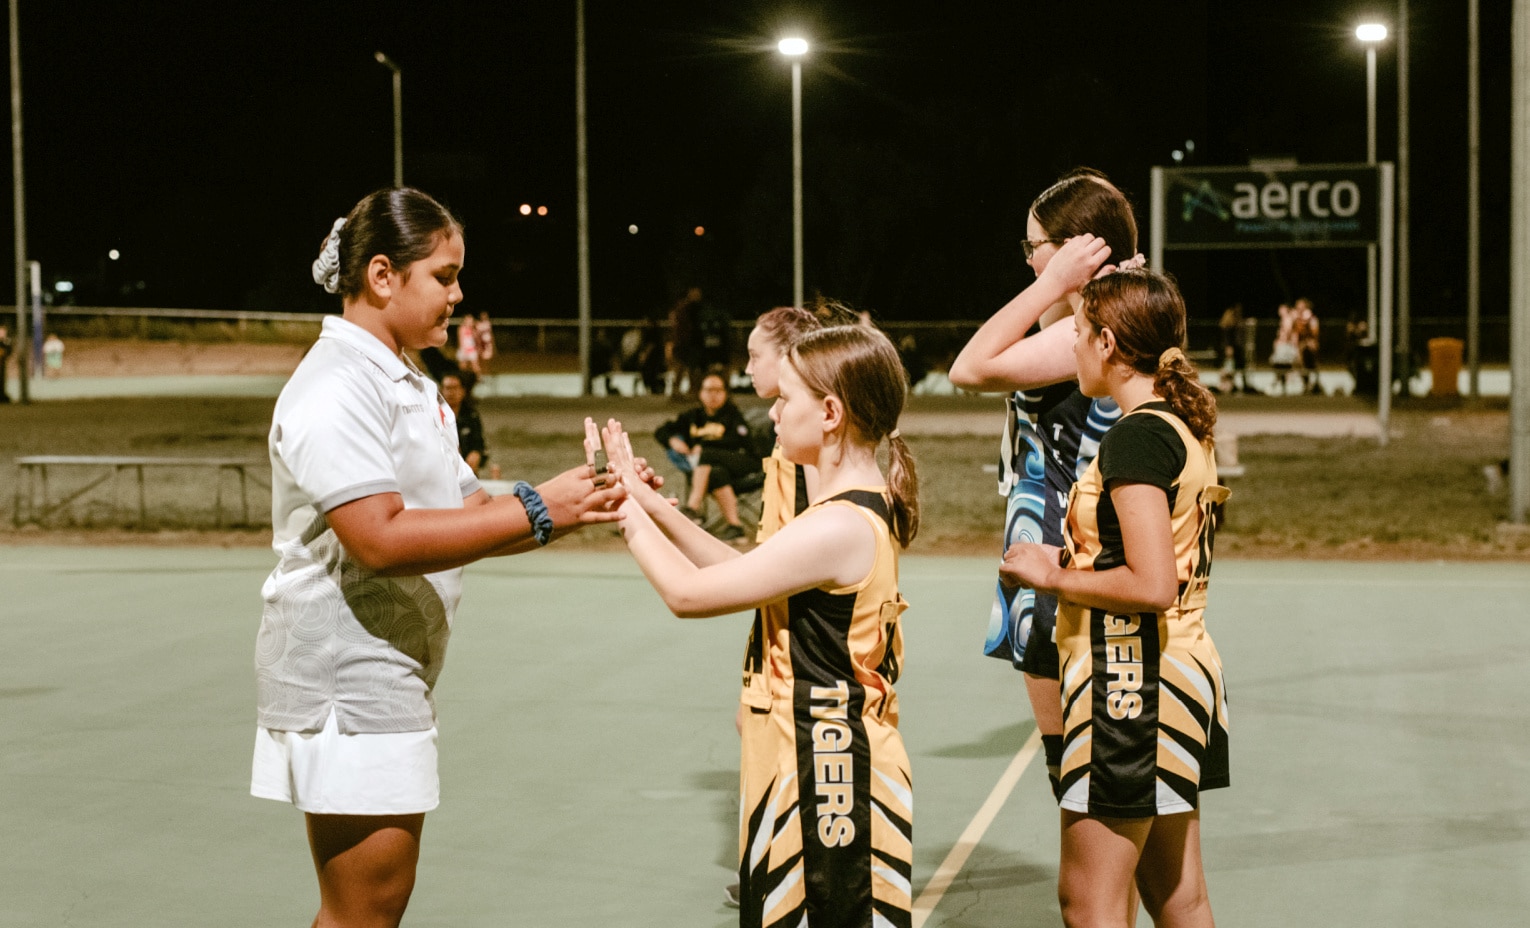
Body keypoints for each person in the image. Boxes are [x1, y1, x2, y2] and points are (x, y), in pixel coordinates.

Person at [252, 187, 639, 928]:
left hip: (386, 666)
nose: (460, 296)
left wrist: (578, 496)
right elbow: (379, 538)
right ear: (381, 276)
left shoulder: (408, 382)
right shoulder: (335, 386)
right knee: (364, 909)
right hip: (346, 675)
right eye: (445, 275)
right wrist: (539, 507)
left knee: (374, 906)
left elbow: (465, 509)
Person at [601, 323, 919, 928]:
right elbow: (747, 571)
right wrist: (652, 509)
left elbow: (688, 595)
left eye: (785, 399)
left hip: (831, 773)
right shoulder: (840, 512)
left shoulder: (839, 525)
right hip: (807, 761)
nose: (772, 411)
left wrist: (626, 511)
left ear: (829, 412)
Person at [1001, 268, 1229, 928]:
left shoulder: (1136, 437)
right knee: (1177, 896)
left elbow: (1153, 584)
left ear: (1106, 342)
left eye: (1077, 333)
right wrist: (1066, 556)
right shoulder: (1174, 427)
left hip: (1131, 682)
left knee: (1088, 901)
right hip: (1174, 675)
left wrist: (1052, 578)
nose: (1070, 347)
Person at [948, 168, 1137, 815]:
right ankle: (1076, 794)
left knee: (1057, 679)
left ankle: (1080, 801)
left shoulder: (1088, 326)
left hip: (1061, 522)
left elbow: (968, 368)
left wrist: (1056, 284)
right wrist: (1057, 284)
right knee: (1039, 663)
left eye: (1036, 247)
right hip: (1041, 510)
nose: (1029, 260)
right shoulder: (1075, 317)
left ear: (1076, 248)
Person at [653, 370, 763, 543]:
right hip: (712, 471)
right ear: (700, 393)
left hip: (744, 464)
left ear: (725, 394)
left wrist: (703, 447)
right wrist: (672, 441)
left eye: (718, 390)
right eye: (709, 390)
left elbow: (740, 441)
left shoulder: (732, 415)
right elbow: (661, 431)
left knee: (708, 454)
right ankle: (735, 528)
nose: (713, 395)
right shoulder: (693, 417)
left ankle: (692, 508)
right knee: (716, 472)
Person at [439, 371, 499, 479]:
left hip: (467, 471)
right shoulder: (434, 415)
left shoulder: (472, 416)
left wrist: (476, 454)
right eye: (447, 388)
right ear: (442, 391)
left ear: (463, 391)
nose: (451, 393)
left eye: (454, 388)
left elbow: (479, 444)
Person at [1268, 303, 1299, 395]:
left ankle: (1281, 383)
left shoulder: (1287, 319)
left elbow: (1288, 332)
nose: (1279, 311)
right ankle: (1281, 383)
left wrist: (1281, 340)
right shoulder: (1286, 319)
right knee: (1281, 366)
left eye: (1281, 309)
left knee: (1282, 365)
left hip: (1285, 346)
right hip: (1283, 345)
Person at [1217, 303, 1247, 394]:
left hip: (1233, 349)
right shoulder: (1229, 326)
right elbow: (1228, 339)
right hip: (1232, 349)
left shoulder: (1226, 325)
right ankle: (1229, 385)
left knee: (1231, 368)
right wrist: (1229, 347)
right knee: (1231, 368)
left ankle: (1229, 385)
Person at [1293, 297, 1321, 394]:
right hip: (1301, 345)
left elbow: (1314, 333)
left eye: (1301, 307)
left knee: (1311, 362)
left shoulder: (1311, 318)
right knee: (1300, 362)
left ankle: (1316, 383)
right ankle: (1306, 383)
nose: (1299, 309)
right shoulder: (1297, 319)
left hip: (1309, 344)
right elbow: (1295, 333)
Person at [0, 323, 12, 402]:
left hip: (2, 363)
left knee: (2, 380)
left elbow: (9, 351)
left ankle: (2, 395)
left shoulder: (7, 341)